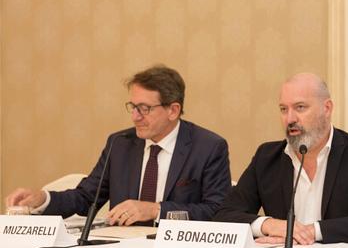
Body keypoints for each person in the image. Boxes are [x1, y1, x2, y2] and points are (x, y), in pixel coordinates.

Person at [5, 65, 231, 225]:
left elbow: (218, 210)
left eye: (144, 109)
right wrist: (42, 199)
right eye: (132, 107)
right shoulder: (120, 143)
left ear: (173, 110)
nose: (135, 116)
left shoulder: (208, 147)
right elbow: (86, 198)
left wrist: (156, 210)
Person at [214, 72, 348, 244]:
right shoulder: (267, 158)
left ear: (327, 108)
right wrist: (270, 225)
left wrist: (314, 231)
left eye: (300, 107)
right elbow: (225, 215)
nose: (290, 119)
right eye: (283, 109)